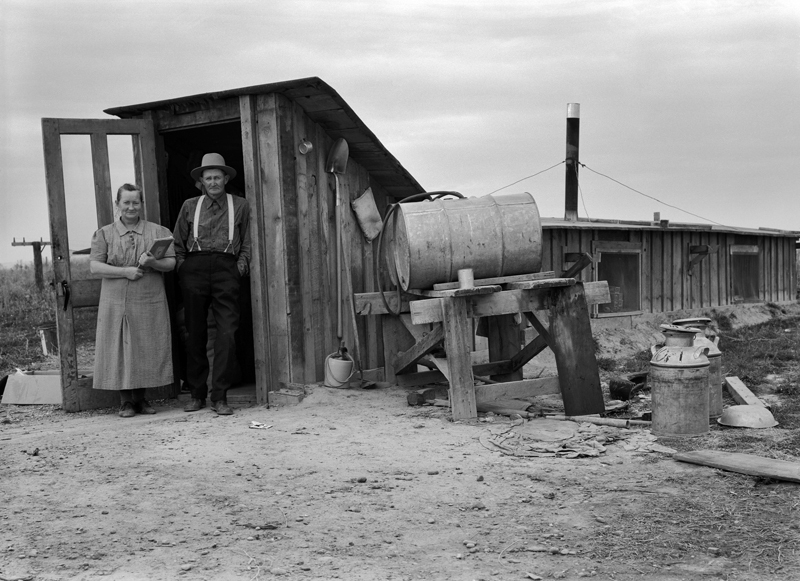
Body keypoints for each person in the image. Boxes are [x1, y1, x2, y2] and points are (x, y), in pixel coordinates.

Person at [173, 153, 250, 415]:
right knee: (195, 333)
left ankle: (220, 396)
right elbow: (177, 245)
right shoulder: (189, 205)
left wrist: (238, 269)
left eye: (218, 177)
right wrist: (184, 268)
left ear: (226, 178)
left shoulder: (240, 205)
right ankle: (196, 395)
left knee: (227, 333)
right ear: (201, 182)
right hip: (194, 269)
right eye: (209, 178)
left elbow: (248, 243)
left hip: (226, 269)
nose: (214, 181)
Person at [90, 183, 176, 417]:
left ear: (141, 204)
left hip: (149, 296)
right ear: (117, 205)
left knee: (146, 343)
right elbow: (95, 266)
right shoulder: (104, 233)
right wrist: (125, 272)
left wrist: (152, 263)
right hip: (115, 298)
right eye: (126, 202)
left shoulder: (158, 231)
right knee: (119, 345)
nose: (130, 207)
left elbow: (171, 263)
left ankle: (142, 399)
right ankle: (126, 401)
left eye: (135, 202)